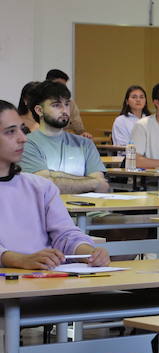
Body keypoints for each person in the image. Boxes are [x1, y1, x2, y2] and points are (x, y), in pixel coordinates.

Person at [0, 100, 111, 269]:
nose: (23, 138)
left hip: (46, 281)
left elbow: (65, 234)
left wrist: (89, 253)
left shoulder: (40, 187)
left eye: (21, 129)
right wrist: (20, 260)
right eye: (10, 132)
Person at [19, 80, 107, 194]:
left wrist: (55, 175)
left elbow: (102, 185)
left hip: (91, 211)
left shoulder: (85, 143)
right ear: (39, 110)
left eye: (66, 104)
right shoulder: (27, 144)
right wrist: (92, 182)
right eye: (56, 105)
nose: (64, 110)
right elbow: (45, 186)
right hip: (47, 211)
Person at [44, 68, 91, 138]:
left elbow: (78, 125)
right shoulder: (40, 102)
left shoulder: (70, 104)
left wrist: (83, 133)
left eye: (64, 85)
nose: (62, 88)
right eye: (59, 85)